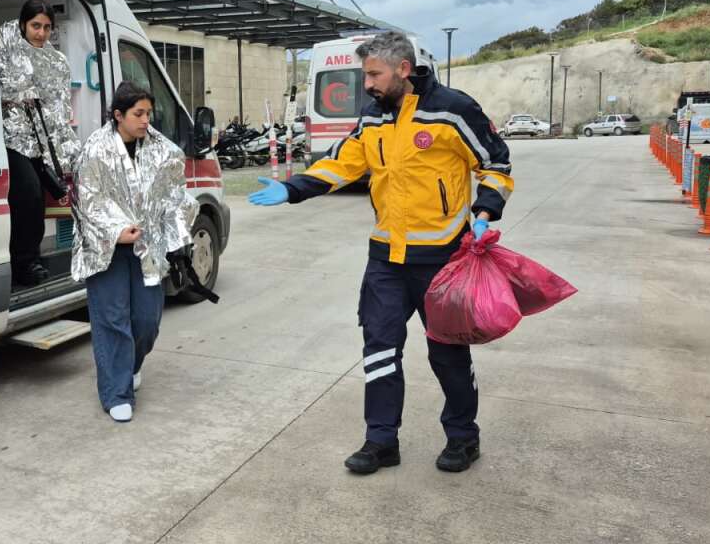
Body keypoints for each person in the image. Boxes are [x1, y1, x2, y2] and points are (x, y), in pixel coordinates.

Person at [249, 31, 514, 474]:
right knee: (379, 349)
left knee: (447, 353)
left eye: (374, 74)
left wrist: (485, 211)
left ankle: (463, 438)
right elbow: (342, 163)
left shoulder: (453, 110)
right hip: (386, 259)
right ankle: (381, 440)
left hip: (442, 259)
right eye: (365, 75)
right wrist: (293, 189)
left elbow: (496, 164)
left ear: (403, 69)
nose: (367, 84)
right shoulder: (373, 116)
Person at [71, 82, 197, 423]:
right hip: (106, 249)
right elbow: (88, 201)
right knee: (112, 319)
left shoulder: (161, 150)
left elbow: (174, 196)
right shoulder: (94, 150)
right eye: (138, 114)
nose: (145, 120)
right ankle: (116, 393)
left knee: (146, 320)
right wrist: (116, 232)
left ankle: (131, 365)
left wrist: (178, 240)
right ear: (118, 115)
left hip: (147, 246)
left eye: (148, 114)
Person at [0, 0, 80, 287]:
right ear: (23, 25)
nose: (41, 33)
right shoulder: (4, 48)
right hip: (8, 137)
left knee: (37, 198)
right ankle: (22, 261)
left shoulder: (56, 62)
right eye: (35, 25)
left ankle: (29, 258)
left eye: (46, 27)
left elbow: (59, 106)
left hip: (38, 140)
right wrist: (19, 94)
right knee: (28, 193)